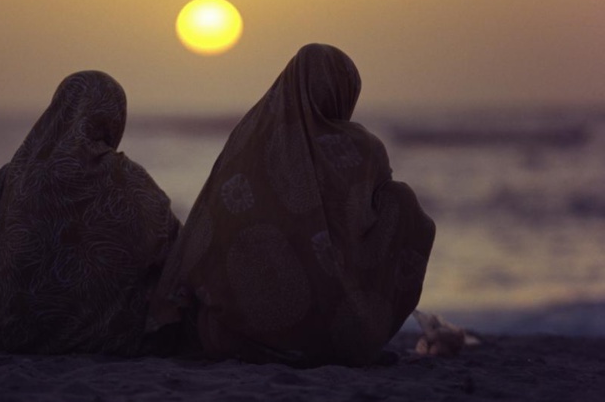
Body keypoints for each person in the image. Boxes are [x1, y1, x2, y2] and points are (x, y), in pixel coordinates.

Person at [147, 43, 436, 366]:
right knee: (401, 202)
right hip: (333, 331)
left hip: (233, 332)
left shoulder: (250, 141)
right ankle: (358, 324)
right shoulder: (364, 149)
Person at [0, 71, 181, 355]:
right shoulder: (127, 179)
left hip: (6, 335)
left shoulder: (12, 176)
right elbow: (172, 251)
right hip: (99, 339)